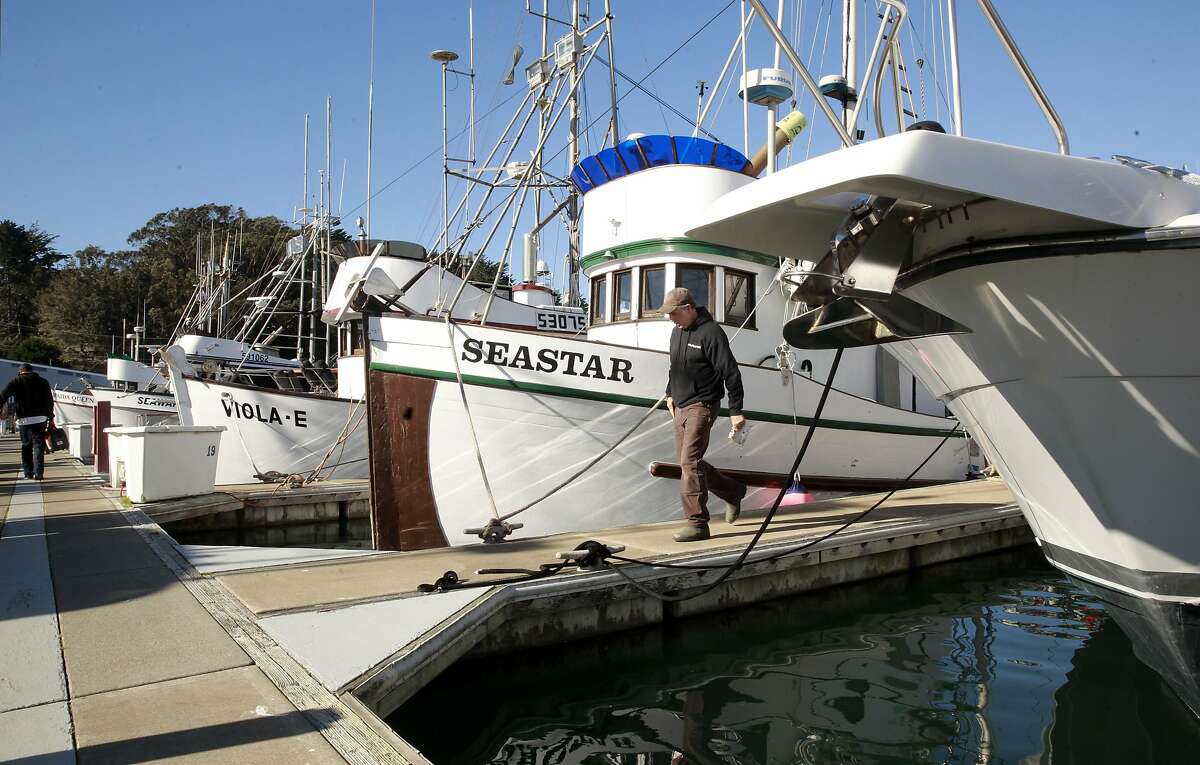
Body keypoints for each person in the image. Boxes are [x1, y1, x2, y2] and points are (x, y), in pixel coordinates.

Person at [661, 287, 747, 542]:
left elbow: (731, 372)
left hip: (703, 404)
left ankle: (698, 523)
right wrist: (669, 393)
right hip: (680, 405)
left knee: (689, 462)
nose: (671, 318)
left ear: (688, 309)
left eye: (674, 313)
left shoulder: (711, 333)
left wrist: (736, 410)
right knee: (689, 463)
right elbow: (674, 367)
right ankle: (733, 491)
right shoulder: (676, 333)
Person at [1, 363, 55, 480]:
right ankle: (39, 473)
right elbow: (50, 401)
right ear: (32, 371)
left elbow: (3, 396)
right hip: (41, 418)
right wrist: (51, 417)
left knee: (26, 445)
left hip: (23, 419)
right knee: (39, 446)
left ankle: (28, 473)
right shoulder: (43, 381)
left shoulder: (16, 381)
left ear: (20, 372)